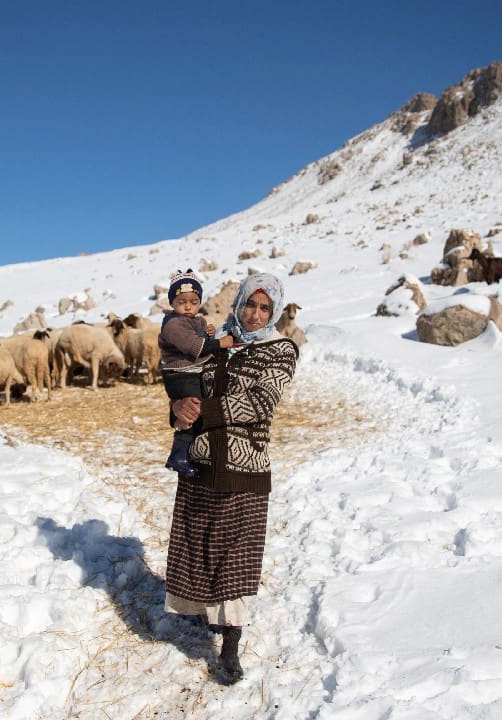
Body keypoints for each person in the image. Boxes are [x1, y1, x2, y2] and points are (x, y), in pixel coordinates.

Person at [163, 272, 299, 684]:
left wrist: (203, 409)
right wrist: (179, 408)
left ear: (273, 312)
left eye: (264, 308)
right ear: (237, 303)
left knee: (235, 557)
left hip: (245, 467)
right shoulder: (217, 342)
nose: (255, 314)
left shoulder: (281, 349)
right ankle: (205, 615)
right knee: (199, 544)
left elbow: (259, 402)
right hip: (201, 464)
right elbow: (187, 387)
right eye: (250, 305)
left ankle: (231, 645)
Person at [157, 269, 235, 478]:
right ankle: (179, 456)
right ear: (172, 302)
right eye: (182, 301)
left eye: (193, 301)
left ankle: (187, 453)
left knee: (195, 410)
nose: (188, 306)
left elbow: (198, 337)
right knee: (193, 410)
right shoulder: (173, 324)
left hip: (192, 371)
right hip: (181, 374)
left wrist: (206, 333)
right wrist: (220, 342)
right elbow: (195, 347)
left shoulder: (195, 320)